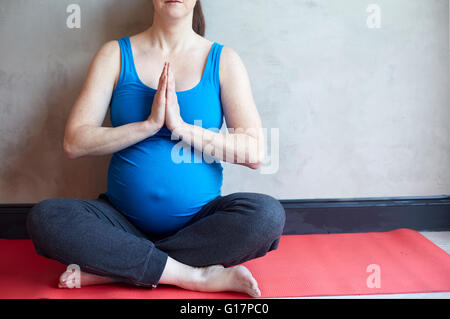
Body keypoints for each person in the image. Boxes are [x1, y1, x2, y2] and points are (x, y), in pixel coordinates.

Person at [26, 0, 285, 297]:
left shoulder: (224, 59)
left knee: (266, 216)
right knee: (47, 217)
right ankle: (191, 275)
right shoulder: (114, 54)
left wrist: (182, 129)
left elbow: (254, 153)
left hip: (201, 225)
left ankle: (118, 268)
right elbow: (74, 142)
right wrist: (148, 125)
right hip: (119, 222)